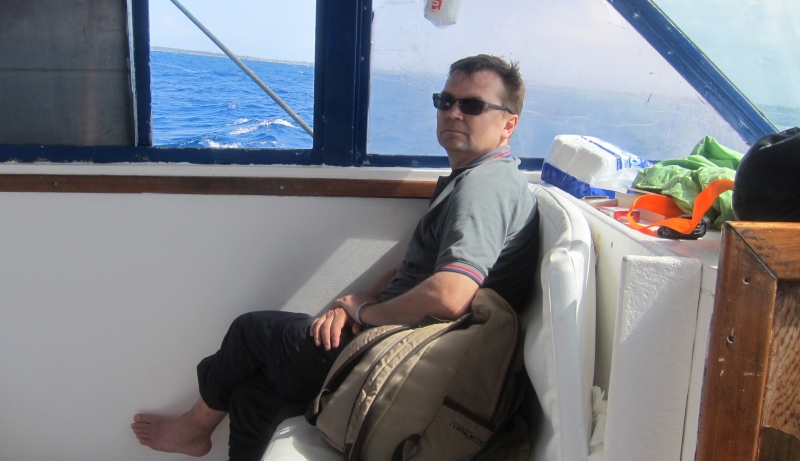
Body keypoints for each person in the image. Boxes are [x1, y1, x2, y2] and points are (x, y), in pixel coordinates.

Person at [131, 54, 539, 461]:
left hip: (406, 359)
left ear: (509, 124)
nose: (453, 113)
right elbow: (416, 270)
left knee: (250, 332)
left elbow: (451, 295)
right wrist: (359, 300)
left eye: (472, 105)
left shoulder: (484, 189)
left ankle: (193, 430)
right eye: (445, 101)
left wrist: (367, 314)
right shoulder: (476, 179)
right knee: (256, 394)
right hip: (403, 339)